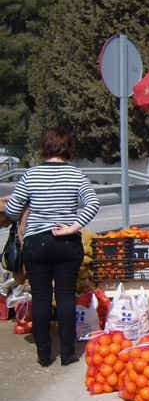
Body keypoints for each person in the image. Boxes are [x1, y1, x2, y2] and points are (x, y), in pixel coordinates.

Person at [5, 128, 100, 367]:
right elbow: (93, 203)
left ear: (45, 147)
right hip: (66, 243)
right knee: (66, 296)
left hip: (37, 243)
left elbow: (12, 210)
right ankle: (68, 354)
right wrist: (73, 227)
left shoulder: (30, 175)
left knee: (40, 298)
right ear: (68, 147)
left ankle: (44, 354)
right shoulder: (76, 175)